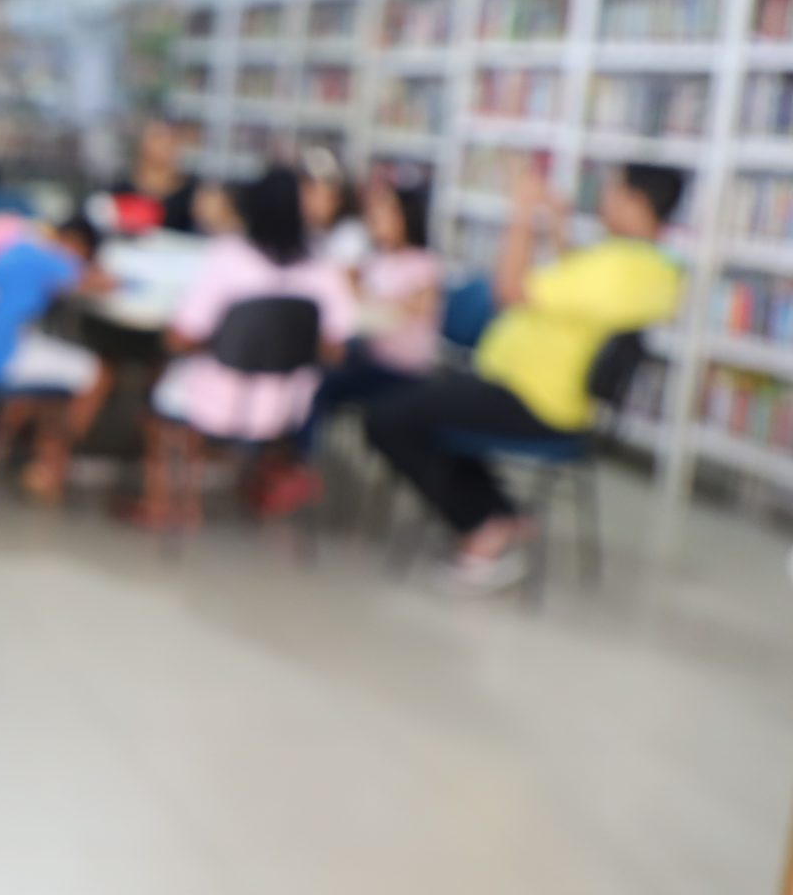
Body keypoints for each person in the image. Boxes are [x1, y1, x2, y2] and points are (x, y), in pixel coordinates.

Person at [365, 162, 684, 587]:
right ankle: (499, 513)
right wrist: (556, 225)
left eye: (611, 191)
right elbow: (576, 285)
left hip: (534, 400)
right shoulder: (643, 265)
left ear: (635, 202)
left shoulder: (620, 267)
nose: (602, 199)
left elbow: (509, 291)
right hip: (526, 391)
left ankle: (483, 524)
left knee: (386, 418)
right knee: (423, 402)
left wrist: (521, 214)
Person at [134, 167, 355, 530]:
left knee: (160, 394)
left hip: (218, 402)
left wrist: (227, 340)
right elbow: (336, 348)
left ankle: (166, 503)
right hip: (285, 408)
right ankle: (262, 475)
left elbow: (181, 336)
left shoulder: (228, 258)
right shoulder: (324, 268)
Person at [281, 178, 443, 500]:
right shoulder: (377, 260)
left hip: (398, 369)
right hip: (367, 353)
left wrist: (363, 291)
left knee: (320, 382)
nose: (375, 222)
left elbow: (414, 307)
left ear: (406, 218)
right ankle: (284, 457)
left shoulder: (424, 264)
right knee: (307, 367)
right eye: (373, 215)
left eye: (384, 215)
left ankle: (299, 464)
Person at [0, 216, 110, 504]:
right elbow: (99, 283)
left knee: (45, 369)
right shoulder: (53, 257)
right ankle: (52, 463)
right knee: (96, 373)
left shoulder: (21, 247)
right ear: (77, 244)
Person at [108, 118, 201, 235]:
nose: (166, 144)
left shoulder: (193, 192)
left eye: (172, 139)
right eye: (159, 138)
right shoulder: (121, 185)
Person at [301, 148, 372, 273]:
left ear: (338, 199)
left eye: (321, 195)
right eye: (309, 192)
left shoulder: (351, 235)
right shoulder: (295, 232)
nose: (312, 201)